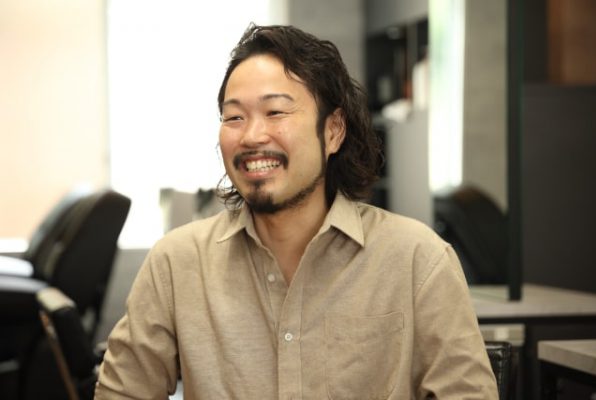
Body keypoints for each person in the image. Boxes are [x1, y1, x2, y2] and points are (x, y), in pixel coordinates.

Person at [95, 23, 498, 399]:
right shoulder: (177, 263)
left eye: (275, 112)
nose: (252, 135)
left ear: (333, 131)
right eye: (234, 117)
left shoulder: (416, 260)